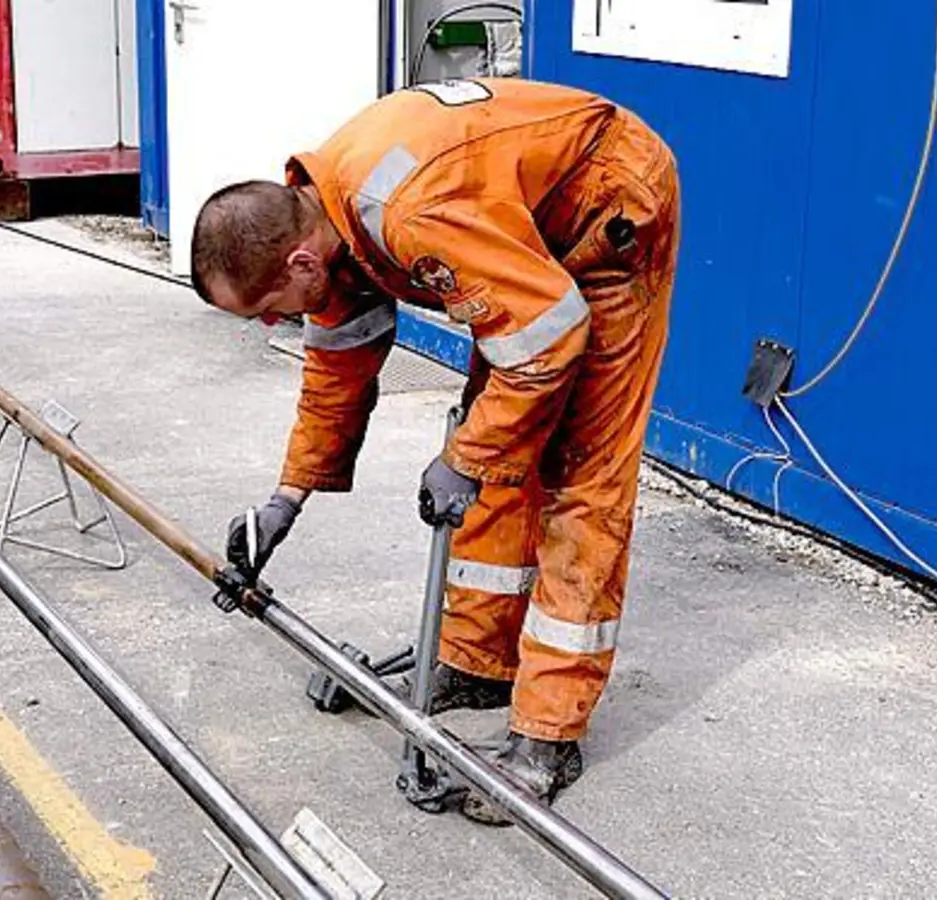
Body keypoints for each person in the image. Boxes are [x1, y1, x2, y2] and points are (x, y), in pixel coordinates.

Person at [190, 77, 679, 825]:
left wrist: (468, 456)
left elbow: (549, 334)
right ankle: (478, 662)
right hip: (524, 251)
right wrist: (287, 498)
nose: (266, 328)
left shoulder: (407, 210)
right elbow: (337, 366)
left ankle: (547, 737)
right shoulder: (332, 223)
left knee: (579, 475)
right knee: (494, 450)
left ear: (298, 265)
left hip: (608, 209)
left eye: (263, 311)